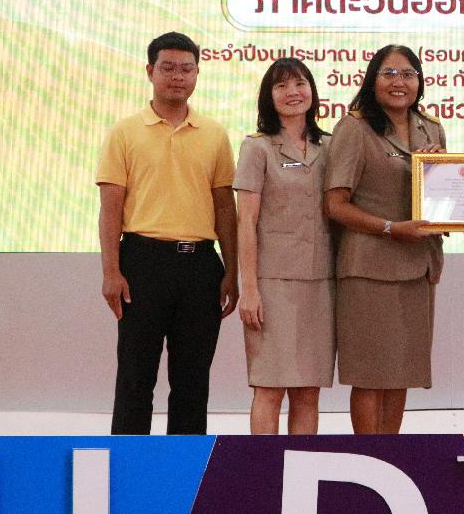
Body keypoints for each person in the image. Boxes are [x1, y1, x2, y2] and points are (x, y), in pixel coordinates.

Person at [96, 31, 238, 435]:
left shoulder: (214, 134)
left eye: (187, 69)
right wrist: (111, 272)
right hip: (142, 263)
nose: (178, 76)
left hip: (201, 267)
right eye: (168, 68)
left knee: (193, 380)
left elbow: (225, 208)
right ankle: (128, 463)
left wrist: (232, 272)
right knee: (135, 376)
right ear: (150, 71)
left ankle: (185, 467)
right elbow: (110, 209)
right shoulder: (125, 132)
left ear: (197, 74)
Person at [324, 44, 445, 434]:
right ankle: (368, 455)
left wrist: (442, 178)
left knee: (400, 373)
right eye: (389, 73)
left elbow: (441, 200)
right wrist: (391, 228)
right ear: (372, 80)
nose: (399, 82)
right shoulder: (354, 128)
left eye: (408, 74)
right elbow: (335, 205)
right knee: (371, 375)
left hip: (418, 268)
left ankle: (391, 455)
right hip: (369, 271)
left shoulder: (431, 128)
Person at [234, 58, 334, 434]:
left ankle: (301, 466)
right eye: (281, 86)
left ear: (312, 90)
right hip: (272, 285)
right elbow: (246, 222)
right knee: (270, 388)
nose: (293, 92)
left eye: (300, 83)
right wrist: (249, 289)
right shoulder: (257, 147)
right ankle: (264, 468)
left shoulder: (331, 145)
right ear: (268, 97)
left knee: (308, 391)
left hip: (322, 284)